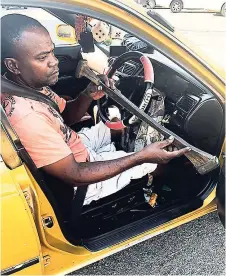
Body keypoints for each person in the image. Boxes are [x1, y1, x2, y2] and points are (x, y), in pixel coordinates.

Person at [1, 14, 190, 205]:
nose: (54, 61)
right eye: (43, 57)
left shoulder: (28, 86)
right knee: (153, 162)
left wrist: (87, 94)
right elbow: (75, 174)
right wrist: (141, 157)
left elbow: (65, 116)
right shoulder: (27, 116)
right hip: (80, 180)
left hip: (70, 146)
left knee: (116, 126)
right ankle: (172, 196)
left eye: (52, 51)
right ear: (13, 65)